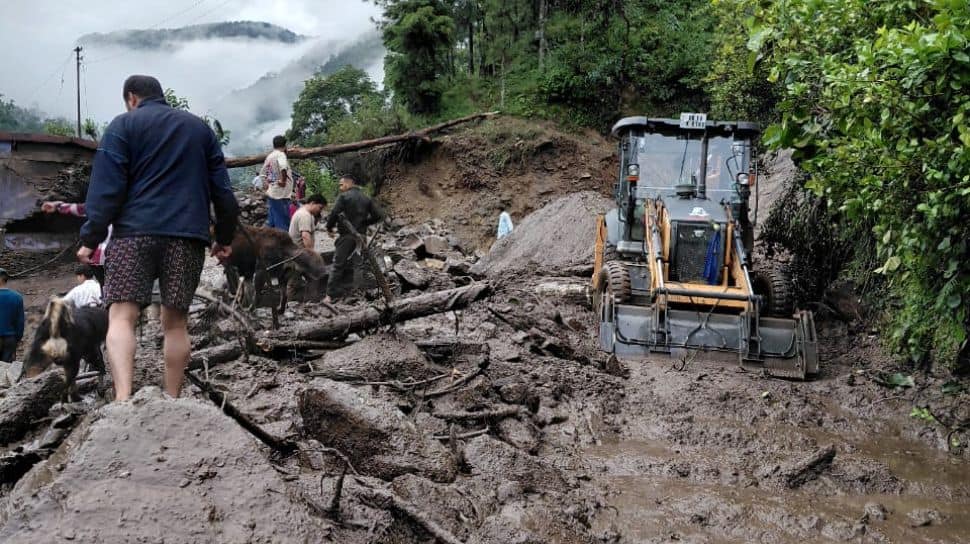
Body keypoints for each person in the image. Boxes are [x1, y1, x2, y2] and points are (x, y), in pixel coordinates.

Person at [79, 74, 238, 402]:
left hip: (132, 236)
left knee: (122, 315)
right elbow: (223, 191)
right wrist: (223, 237)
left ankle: (123, 399)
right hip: (186, 236)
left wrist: (91, 238)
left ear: (131, 97)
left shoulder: (123, 126)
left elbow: (106, 191)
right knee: (176, 322)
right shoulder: (200, 130)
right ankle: (172, 398)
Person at [323, 175, 385, 303]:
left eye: (341, 185)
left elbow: (334, 213)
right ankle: (359, 294)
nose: (340, 188)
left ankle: (329, 295)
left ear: (348, 183)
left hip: (346, 236)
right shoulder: (366, 197)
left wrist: (329, 227)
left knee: (338, 264)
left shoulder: (344, 197)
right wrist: (364, 223)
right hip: (361, 237)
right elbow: (379, 215)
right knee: (359, 265)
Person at [41, 201, 110, 286]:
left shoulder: (105, 204)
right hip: (105, 256)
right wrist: (58, 206)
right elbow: (81, 209)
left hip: (106, 254)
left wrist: (58, 206)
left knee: (107, 286)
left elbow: (84, 209)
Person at [260, 135, 292, 231]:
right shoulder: (281, 155)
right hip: (280, 194)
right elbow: (283, 167)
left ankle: (265, 240)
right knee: (282, 220)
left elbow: (262, 173)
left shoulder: (270, 156)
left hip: (272, 192)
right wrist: (283, 181)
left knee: (272, 220)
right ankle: (283, 242)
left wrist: (267, 185)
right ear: (285, 145)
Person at [0, 268, 25, 363]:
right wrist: (16, 339)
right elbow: (20, 322)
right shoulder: (17, 297)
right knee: (7, 371)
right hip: (10, 339)